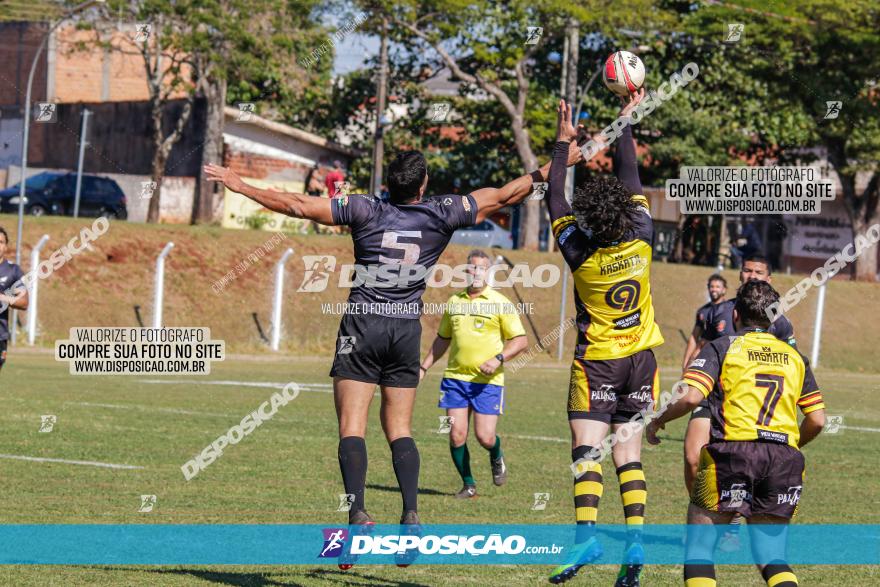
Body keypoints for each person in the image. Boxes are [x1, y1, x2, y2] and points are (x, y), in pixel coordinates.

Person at [204, 137, 584, 563]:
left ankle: (358, 514)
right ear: (423, 185)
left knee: (352, 426)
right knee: (399, 429)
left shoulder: (364, 208)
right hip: (405, 330)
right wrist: (558, 160)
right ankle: (411, 514)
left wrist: (241, 184)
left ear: (389, 184)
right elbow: (507, 193)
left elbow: (296, 204)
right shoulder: (442, 211)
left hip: (361, 326)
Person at [545, 92, 663, 587]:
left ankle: (586, 537)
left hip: (597, 365)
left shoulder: (581, 254)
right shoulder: (642, 233)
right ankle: (634, 540)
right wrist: (627, 120)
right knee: (628, 456)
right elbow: (632, 175)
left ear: (590, 217)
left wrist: (562, 143)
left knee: (587, 451)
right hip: (642, 360)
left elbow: (555, 196)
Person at [646, 280, 825, 587]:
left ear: (736, 316)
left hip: (733, 453)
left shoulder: (723, 345)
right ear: (773, 319)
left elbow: (690, 397)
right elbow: (818, 420)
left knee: (700, 550)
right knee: (772, 556)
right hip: (784, 459)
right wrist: (792, 442)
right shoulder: (796, 358)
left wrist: (658, 420)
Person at [420, 249, 528, 498]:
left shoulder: (500, 303)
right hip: (456, 379)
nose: (476, 272)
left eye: (482, 268)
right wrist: (424, 366)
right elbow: (442, 339)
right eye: (472, 267)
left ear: (488, 273)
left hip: (488, 382)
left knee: (485, 437)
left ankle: (496, 454)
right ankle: (468, 485)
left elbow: (520, 341)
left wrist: (498, 359)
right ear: (466, 271)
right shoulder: (454, 301)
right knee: (457, 435)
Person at [681, 274, 728, 372]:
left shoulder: (730, 309)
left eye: (717, 287)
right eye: (711, 286)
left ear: (724, 290)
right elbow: (694, 337)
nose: (714, 289)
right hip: (706, 356)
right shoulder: (702, 311)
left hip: (725, 356)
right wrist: (686, 362)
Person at [0, 227, 28, 374]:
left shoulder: (12, 270)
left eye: (0, 242)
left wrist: (2, 297)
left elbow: (23, 302)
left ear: (6, 246)